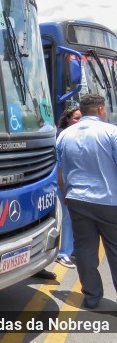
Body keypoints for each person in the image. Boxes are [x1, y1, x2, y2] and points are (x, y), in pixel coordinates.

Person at [56, 93, 117, 309]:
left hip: (76, 200)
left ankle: (91, 297)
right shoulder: (112, 132)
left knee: (84, 250)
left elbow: (61, 172)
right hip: (109, 201)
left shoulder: (64, 135)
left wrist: (65, 196)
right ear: (101, 110)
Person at [55, 106, 82, 269]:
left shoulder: (75, 134)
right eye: (76, 118)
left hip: (70, 182)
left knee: (72, 219)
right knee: (66, 218)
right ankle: (63, 253)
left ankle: (70, 250)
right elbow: (59, 167)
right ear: (67, 119)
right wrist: (63, 189)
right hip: (62, 183)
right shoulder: (61, 135)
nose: (79, 121)